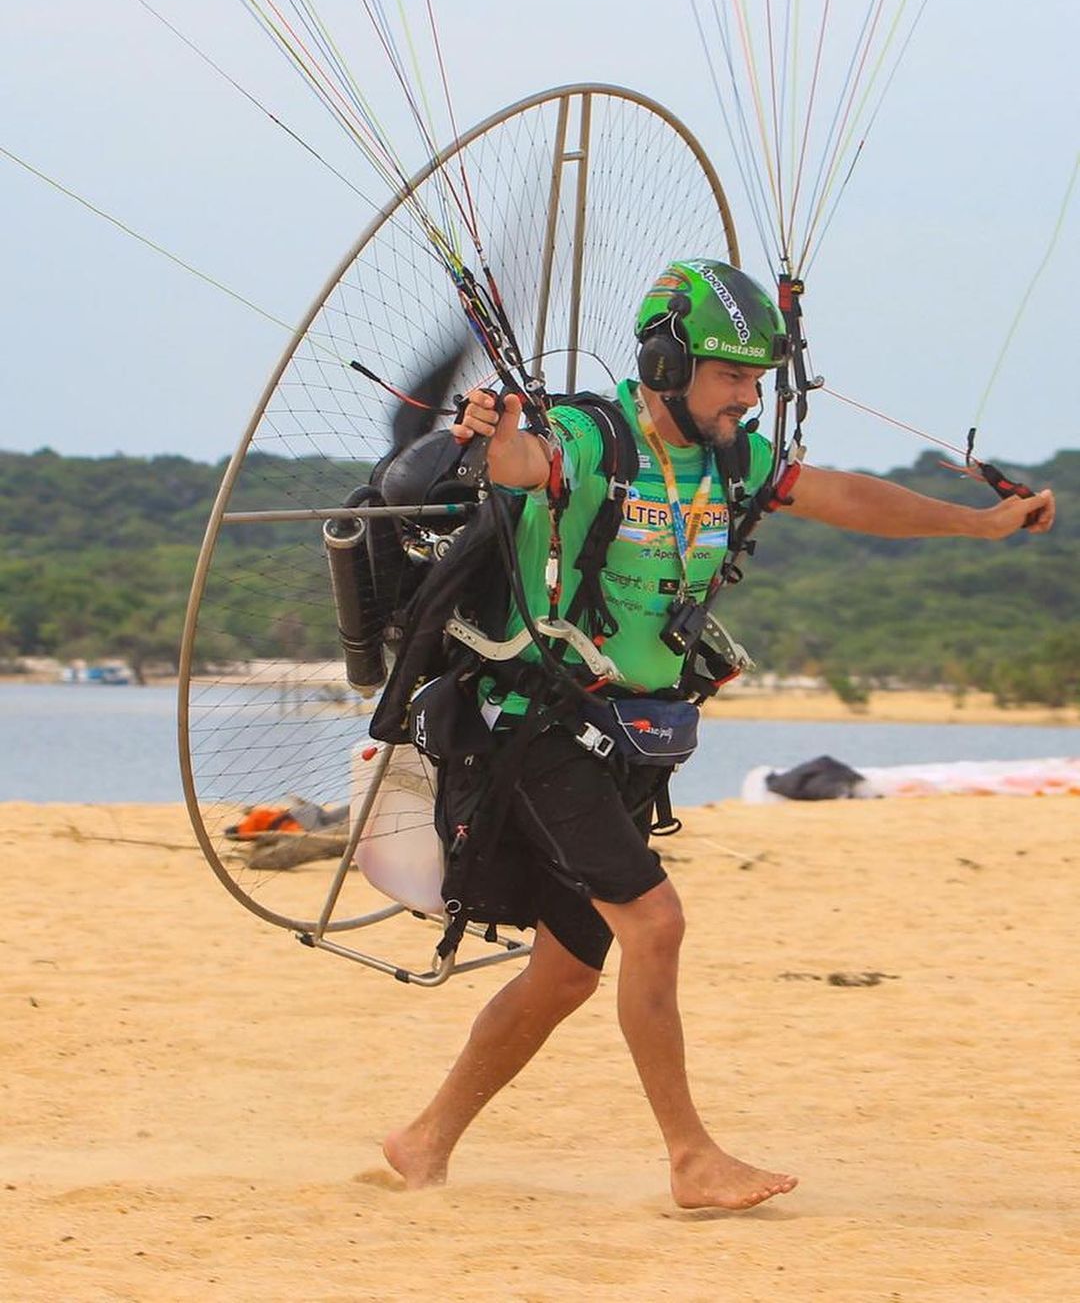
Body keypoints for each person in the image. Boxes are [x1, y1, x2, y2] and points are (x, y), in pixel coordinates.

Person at [382, 259, 1056, 1210]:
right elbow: (520, 463)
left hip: (623, 738)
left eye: (757, 378)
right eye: (732, 375)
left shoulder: (730, 461)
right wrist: (488, 435)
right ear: (665, 362)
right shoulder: (589, 438)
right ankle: (691, 1156)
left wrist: (978, 526)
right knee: (656, 924)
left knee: (569, 972)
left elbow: (848, 497)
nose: (751, 395)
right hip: (530, 729)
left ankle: (425, 1139)